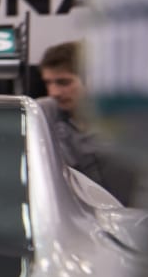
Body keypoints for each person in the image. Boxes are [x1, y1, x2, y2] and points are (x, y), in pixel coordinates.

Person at [36, 40, 136, 204]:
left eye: (64, 82)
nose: (54, 92)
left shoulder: (129, 116)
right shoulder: (43, 112)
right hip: (76, 222)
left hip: (132, 219)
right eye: (48, 83)